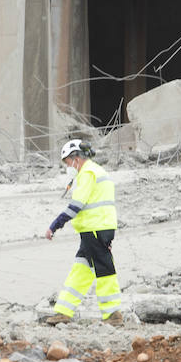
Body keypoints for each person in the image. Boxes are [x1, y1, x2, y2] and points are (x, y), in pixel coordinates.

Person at [42, 139, 123, 326]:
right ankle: (64, 311)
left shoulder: (87, 173)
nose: (67, 167)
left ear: (76, 158)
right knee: (81, 271)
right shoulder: (98, 170)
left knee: (104, 270)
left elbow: (77, 205)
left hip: (95, 228)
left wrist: (54, 225)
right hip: (97, 228)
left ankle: (113, 314)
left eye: (67, 162)